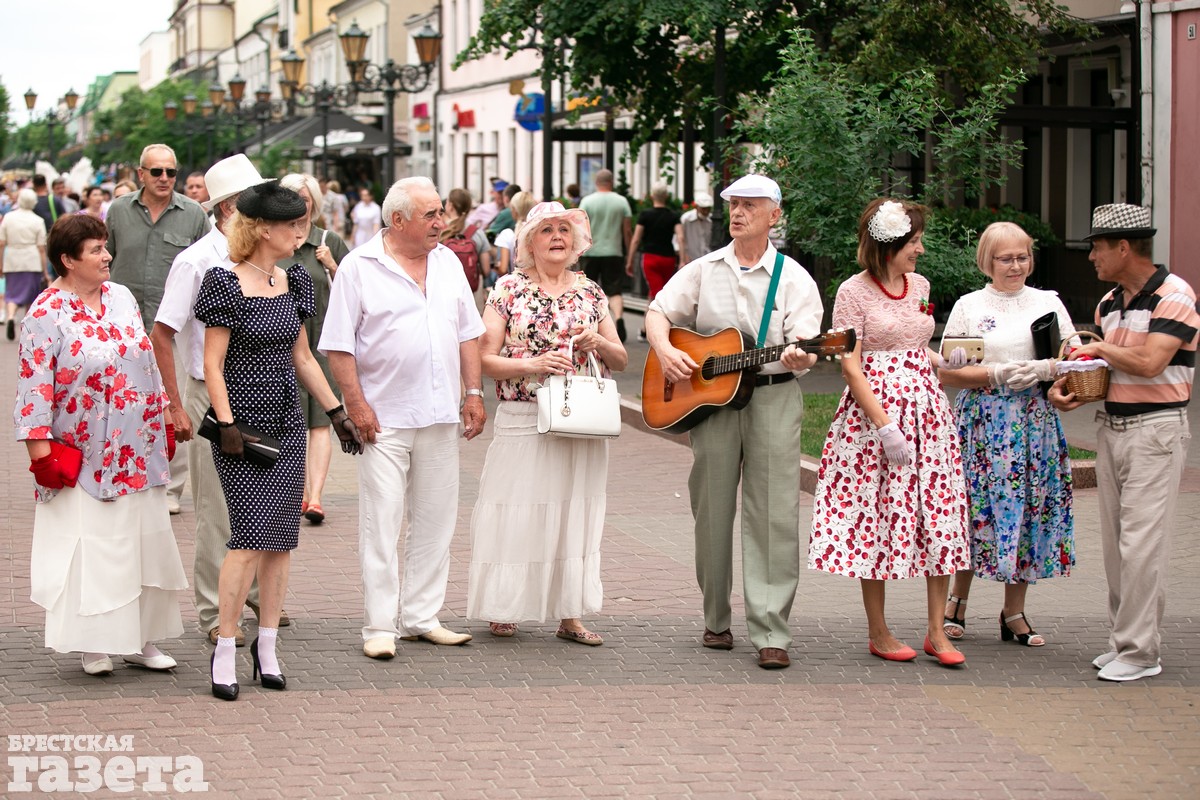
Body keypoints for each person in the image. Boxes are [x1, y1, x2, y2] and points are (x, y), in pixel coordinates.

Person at [646, 174, 823, 669]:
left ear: (775, 215)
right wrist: (665, 351)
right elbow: (658, 312)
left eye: (749, 205)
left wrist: (801, 356)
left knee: (773, 513)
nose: (738, 212)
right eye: (733, 204)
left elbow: (807, 344)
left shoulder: (794, 278)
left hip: (773, 395)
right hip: (712, 402)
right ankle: (715, 619)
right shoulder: (703, 269)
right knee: (712, 508)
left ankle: (771, 631)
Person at [196, 181, 362, 701]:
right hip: (242, 431)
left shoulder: (295, 283)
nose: (301, 233)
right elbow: (211, 363)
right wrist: (224, 422)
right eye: (293, 225)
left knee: (280, 541)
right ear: (264, 229)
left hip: (289, 423)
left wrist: (337, 412)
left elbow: (305, 358)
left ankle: (266, 645)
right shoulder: (223, 282)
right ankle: (225, 645)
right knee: (247, 538)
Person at [319, 176, 487, 660]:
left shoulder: (448, 262)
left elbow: (467, 334)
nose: (442, 221)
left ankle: (421, 616)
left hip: (438, 413)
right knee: (382, 521)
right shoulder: (358, 267)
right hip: (384, 416)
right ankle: (379, 624)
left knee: (437, 519)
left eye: (441, 212)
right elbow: (338, 344)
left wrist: (473, 393)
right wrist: (356, 403)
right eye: (431, 214)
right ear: (398, 221)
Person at [14, 214, 187, 676]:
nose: (106, 255)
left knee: (142, 545)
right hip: (84, 454)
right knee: (96, 548)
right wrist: (39, 455)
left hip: (138, 446)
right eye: (94, 250)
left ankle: (142, 640)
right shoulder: (45, 312)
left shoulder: (122, 298)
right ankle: (95, 643)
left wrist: (166, 413)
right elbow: (33, 387)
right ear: (68, 260)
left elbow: (146, 362)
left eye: (105, 246)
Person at [808, 198, 971, 667]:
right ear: (887, 245)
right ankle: (879, 631)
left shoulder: (919, 284)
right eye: (913, 241)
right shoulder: (852, 292)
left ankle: (938, 631)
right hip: (875, 417)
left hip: (929, 412)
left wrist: (946, 359)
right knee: (874, 515)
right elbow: (850, 365)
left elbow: (917, 345)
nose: (919, 249)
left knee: (937, 511)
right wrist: (884, 426)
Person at [1050, 203, 1199, 682]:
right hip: (1112, 427)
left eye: (1096, 247)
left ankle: (1140, 652)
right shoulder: (1110, 303)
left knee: (1141, 545)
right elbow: (1111, 372)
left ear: (1123, 247)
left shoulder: (1174, 295)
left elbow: (1152, 362)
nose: (1091, 257)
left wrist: (1098, 348)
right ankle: (1124, 641)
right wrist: (1073, 391)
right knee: (1117, 545)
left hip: (1156, 430)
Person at [468, 201, 627, 643]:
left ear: (575, 243)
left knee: (574, 511)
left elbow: (621, 357)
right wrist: (534, 362)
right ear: (529, 242)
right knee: (516, 508)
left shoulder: (591, 292)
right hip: (525, 415)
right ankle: (505, 605)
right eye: (547, 230)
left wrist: (598, 341)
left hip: (583, 417)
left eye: (564, 230)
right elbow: (484, 359)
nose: (557, 236)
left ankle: (570, 614)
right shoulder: (508, 290)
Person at [937, 222, 1077, 649]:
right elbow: (950, 368)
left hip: (1035, 421)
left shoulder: (1047, 303)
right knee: (974, 509)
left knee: (1027, 510)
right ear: (988, 261)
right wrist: (996, 373)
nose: (1016, 265)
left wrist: (1046, 371)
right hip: (983, 422)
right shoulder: (971, 305)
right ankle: (955, 603)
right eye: (1006, 258)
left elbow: (1073, 355)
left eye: (1022, 256)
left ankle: (1013, 612)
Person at [151, 153, 269, 646]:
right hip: (207, 392)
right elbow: (162, 333)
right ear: (230, 208)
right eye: (257, 202)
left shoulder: (260, 258)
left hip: (257, 390)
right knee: (218, 509)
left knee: (261, 504)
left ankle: (258, 600)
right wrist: (177, 404)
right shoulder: (197, 260)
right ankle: (214, 611)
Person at [107, 144, 210, 515]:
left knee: (174, 405)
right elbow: (105, 259)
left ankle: (171, 487)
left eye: (170, 172)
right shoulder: (118, 211)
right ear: (141, 174)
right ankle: (126, 475)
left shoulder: (194, 214)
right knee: (124, 404)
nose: (165, 178)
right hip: (124, 325)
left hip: (175, 329)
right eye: (157, 172)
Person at [278, 173, 351, 525]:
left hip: (320, 343)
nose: (299, 205)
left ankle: (316, 496)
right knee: (289, 419)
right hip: (281, 343)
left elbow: (354, 292)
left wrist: (332, 265)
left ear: (315, 202)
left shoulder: (327, 241)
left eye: (305, 198)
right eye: (292, 197)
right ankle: (296, 493)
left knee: (322, 421)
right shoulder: (275, 240)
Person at [579, 169, 633, 341]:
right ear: (611, 182)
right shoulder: (621, 202)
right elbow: (627, 230)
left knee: (588, 289)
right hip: (614, 252)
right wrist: (628, 253)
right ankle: (618, 318)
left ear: (597, 182)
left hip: (591, 252)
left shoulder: (587, 201)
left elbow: (580, 229)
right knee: (615, 290)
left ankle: (590, 324)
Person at [626, 184, 682, 340]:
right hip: (668, 258)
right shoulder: (673, 216)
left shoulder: (645, 215)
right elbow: (681, 237)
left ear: (651, 197)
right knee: (660, 292)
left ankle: (655, 330)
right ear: (667, 197)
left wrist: (630, 260)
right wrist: (683, 258)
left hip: (650, 257)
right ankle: (648, 328)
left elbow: (636, 239)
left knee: (656, 294)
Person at [1, 189, 50, 340]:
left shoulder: (9, 217)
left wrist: (1, 263)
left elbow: (2, 242)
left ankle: (10, 316)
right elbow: (41, 247)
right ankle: (26, 326)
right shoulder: (37, 220)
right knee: (31, 295)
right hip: (32, 260)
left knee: (12, 293)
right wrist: (45, 271)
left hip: (13, 259)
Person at [441, 187, 494, 313]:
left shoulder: (440, 232)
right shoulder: (477, 233)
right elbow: (486, 270)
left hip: (446, 295)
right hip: (472, 296)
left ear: (450, 206)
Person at [490, 190, 536, 281]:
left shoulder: (507, 234)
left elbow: (503, 269)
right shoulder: (536, 232)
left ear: (514, 210)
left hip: (516, 285)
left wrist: (494, 268)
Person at [679, 192, 714, 266]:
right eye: (703, 209)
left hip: (706, 260)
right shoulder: (686, 219)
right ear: (696, 207)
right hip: (689, 260)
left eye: (708, 209)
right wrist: (684, 256)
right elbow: (679, 239)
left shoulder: (711, 220)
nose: (706, 212)